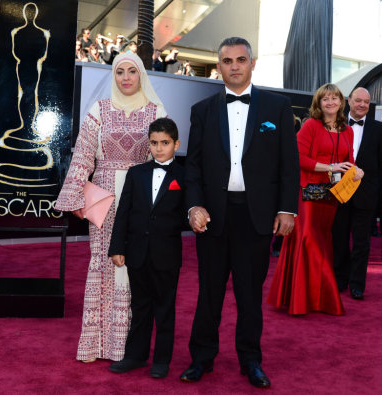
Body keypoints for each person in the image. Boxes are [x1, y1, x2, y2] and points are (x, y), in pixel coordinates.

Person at [181, 37, 300, 389]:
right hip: (214, 217)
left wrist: (286, 210)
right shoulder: (202, 110)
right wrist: (194, 205)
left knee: (249, 295)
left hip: (257, 217)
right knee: (209, 293)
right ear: (219, 66)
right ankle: (201, 358)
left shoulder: (278, 107)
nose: (234, 66)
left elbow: (288, 165)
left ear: (252, 63)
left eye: (241, 59)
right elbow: (194, 167)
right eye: (227, 60)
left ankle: (251, 361)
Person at [55, 52, 167, 363]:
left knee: (136, 269)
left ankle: (129, 347)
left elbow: (163, 155)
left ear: (142, 75)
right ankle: (97, 345)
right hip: (103, 197)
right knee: (103, 264)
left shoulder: (156, 110)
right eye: (120, 72)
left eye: (132, 71)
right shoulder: (99, 110)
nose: (126, 78)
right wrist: (76, 196)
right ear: (113, 76)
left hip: (141, 198)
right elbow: (83, 155)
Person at [267, 83, 364, 315]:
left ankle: (317, 298)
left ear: (342, 102)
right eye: (325, 99)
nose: (330, 102)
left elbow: (348, 160)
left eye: (334, 98)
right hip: (307, 193)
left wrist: (356, 171)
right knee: (308, 239)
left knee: (321, 242)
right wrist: (328, 167)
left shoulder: (347, 131)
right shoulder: (311, 125)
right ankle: (305, 299)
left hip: (329, 197)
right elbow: (298, 157)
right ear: (318, 103)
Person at [108, 118, 185, 379]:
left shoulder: (185, 175)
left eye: (165, 143)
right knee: (140, 307)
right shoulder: (136, 173)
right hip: (137, 252)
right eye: (154, 143)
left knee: (165, 308)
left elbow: (189, 211)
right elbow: (124, 212)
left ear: (176, 144)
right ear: (148, 144)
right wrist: (117, 246)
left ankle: (162, 360)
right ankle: (135, 356)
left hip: (167, 254)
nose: (159, 148)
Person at [332, 87, 382, 300]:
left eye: (366, 102)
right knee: (338, 239)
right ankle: (340, 279)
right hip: (339, 192)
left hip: (365, 194)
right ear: (349, 101)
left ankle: (357, 284)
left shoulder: (380, 130)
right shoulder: (335, 124)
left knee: (362, 242)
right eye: (358, 101)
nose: (362, 105)